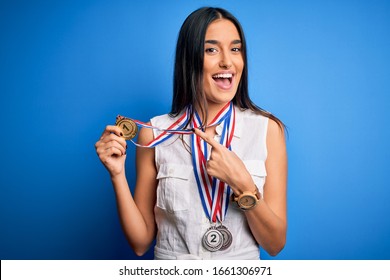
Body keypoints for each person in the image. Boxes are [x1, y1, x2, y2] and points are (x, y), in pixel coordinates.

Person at [95, 7, 287, 260]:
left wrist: (243, 184)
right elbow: (141, 242)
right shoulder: (155, 134)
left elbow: (274, 244)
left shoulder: (267, 130)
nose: (227, 62)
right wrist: (117, 175)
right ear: (189, 59)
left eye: (235, 49)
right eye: (211, 49)